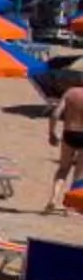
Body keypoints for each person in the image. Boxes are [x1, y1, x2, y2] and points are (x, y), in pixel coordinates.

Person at [51, 80, 83, 211]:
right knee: (79, 173)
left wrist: (52, 132)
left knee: (63, 169)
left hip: (69, 133)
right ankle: (69, 205)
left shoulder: (71, 92)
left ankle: (53, 198)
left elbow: (55, 114)